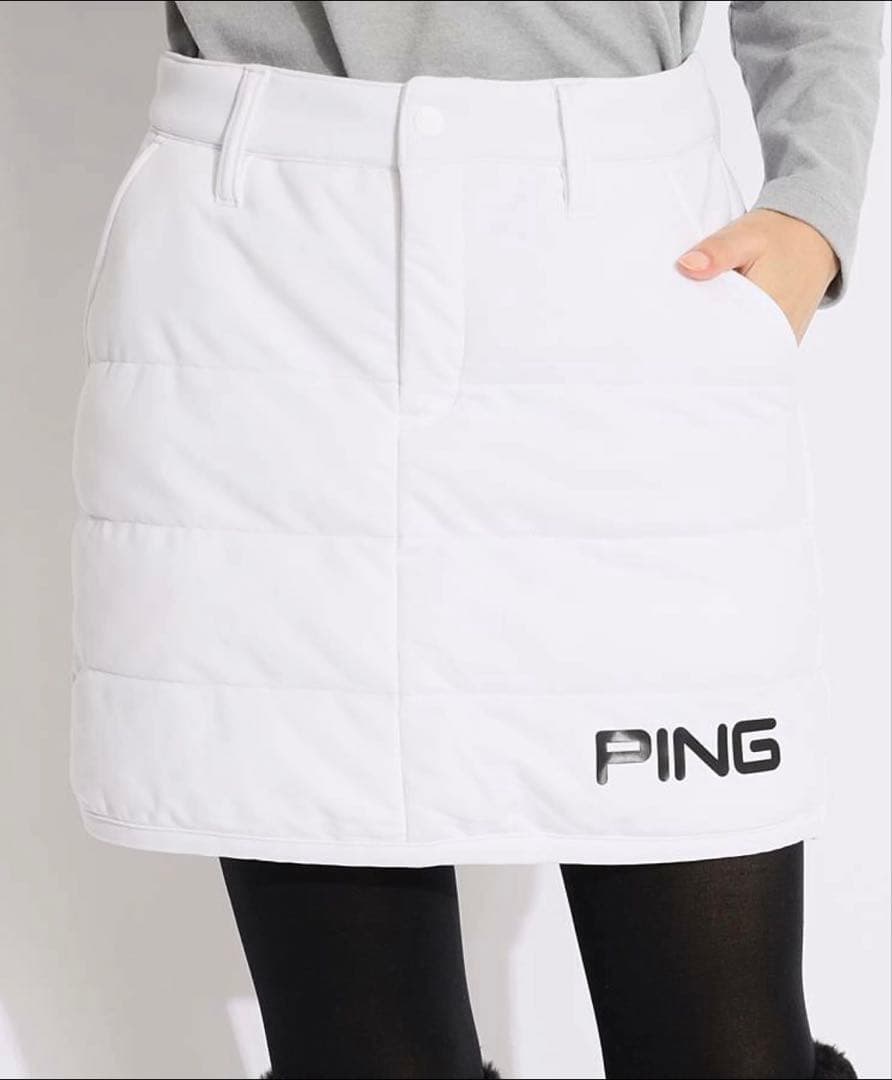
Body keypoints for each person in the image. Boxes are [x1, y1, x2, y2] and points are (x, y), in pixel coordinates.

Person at [70, 3, 884, 1077]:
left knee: (720, 1047)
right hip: (269, 284)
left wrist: (814, 198)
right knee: (362, 1060)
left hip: (627, 272)